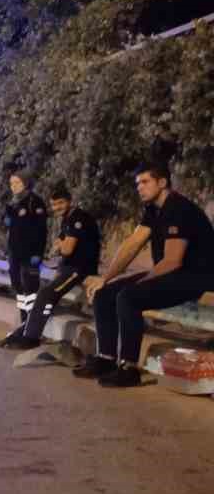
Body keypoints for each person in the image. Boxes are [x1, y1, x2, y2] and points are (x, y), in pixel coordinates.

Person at [73, 163, 214, 387]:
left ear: (162, 182)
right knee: (105, 293)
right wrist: (106, 278)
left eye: (145, 182)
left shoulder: (178, 208)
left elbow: (172, 260)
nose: (139, 187)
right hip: (173, 273)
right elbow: (133, 244)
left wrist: (138, 282)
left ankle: (130, 368)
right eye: (137, 183)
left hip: (195, 276)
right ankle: (106, 359)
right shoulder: (153, 209)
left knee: (129, 297)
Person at [0, 183, 100, 350]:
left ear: (70, 201)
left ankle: (31, 337)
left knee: (46, 294)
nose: (56, 208)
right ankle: (22, 334)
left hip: (80, 269)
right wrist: (61, 244)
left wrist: (62, 244)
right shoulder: (68, 219)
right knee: (43, 295)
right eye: (53, 204)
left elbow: (66, 249)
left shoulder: (78, 218)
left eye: (60, 203)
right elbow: (56, 246)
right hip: (68, 267)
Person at [0, 171, 47, 347]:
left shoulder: (35, 202)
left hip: (29, 255)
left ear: (26, 183)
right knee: (20, 291)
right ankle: (24, 326)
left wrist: (37, 254)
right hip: (15, 255)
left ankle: (31, 332)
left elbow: (40, 231)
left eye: (17, 183)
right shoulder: (14, 204)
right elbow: (10, 228)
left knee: (30, 291)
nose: (13, 186)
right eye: (11, 183)